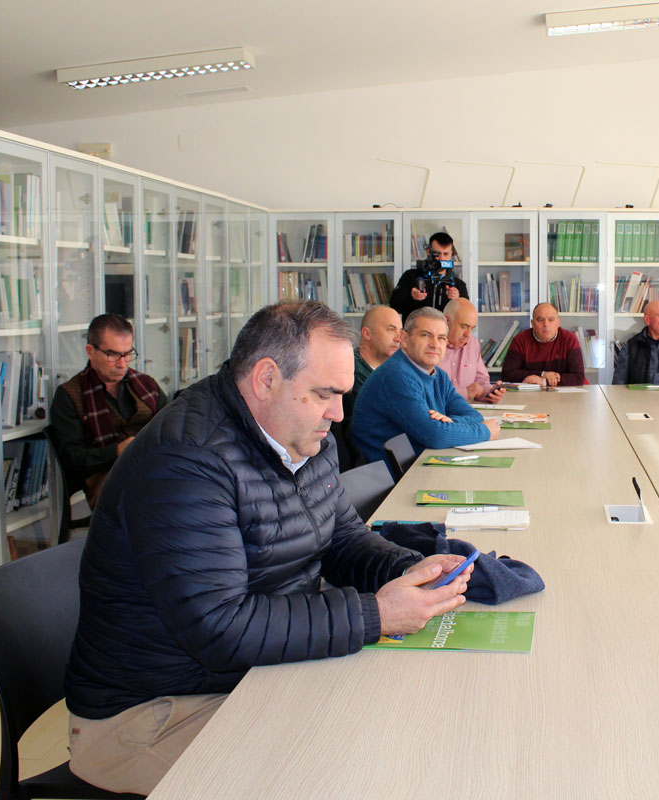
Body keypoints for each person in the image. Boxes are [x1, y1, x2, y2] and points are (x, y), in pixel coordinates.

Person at [64, 301, 474, 795]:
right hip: (149, 714)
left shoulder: (303, 432)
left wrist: (411, 569)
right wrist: (376, 614)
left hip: (247, 675)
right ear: (265, 379)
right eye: (324, 394)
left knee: (400, 725)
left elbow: (341, 538)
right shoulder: (185, 461)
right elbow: (220, 626)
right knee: (343, 775)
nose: (338, 414)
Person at [351, 307, 500, 465]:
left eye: (441, 338)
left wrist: (448, 423)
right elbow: (436, 436)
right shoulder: (396, 375)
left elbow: (474, 416)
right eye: (425, 335)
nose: (435, 344)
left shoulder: (439, 376)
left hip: (420, 464)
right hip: (393, 476)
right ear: (404, 339)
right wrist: (485, 431)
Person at [49, 313, 167, 508]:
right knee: (156, 495)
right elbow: (72, 459)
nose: (122, 364)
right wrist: (117, 451)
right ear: (90, 351)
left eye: (127, 354)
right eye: (112, 355)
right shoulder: (69, 395)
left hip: (153, 465)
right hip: (106, 477)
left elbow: (171, 427)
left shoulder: (147, 385)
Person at [500, 302, 586, 387]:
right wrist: (542, 374)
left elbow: (578, 377)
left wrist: (543, 381)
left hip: (564, 394)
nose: (546, 324)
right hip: (530, 393)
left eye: (551, 319)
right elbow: (507, 375)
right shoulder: (520, 340)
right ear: (532, 323)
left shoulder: (569, 339)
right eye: (540, 320)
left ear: (558, 322)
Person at [342, 305, 403, 424]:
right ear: (367, 334)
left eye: (400, 331)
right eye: (391, 329)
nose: (398, 339)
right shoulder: (350, 370)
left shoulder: (397, 368)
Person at [388, 231, 469, 318]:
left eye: (446, 254)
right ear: (428, 251)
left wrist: (457, 301)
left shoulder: (458, 285)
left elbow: (465, 316)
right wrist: (411, 296)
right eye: (437, 254)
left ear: (451, 253)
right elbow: (394, 306)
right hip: (415, 326)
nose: (441, 258)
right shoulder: (410, 277)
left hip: (443, 327)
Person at [440, 298, 506, 404]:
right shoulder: (431, 346)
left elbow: (481, 380)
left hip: (466, 409)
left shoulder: (473, 344)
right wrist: (464, 392)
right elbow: (427, 392)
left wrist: (490, 393)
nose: (468, 334)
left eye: (472, 328)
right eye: (464, 326)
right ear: (446, 320)